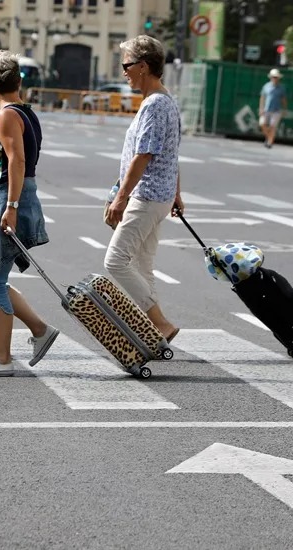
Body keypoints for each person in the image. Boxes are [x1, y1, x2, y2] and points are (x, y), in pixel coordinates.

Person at [0, 50, 59, 377]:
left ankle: (3, 359)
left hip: (6, 201)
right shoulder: (25, 112)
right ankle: (40, 330)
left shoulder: (7, 116)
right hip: (4, 199)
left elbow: (17, 161)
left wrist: (11, 207)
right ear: (19, 81)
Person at [104, 35, 183, 344]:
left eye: (126, 65)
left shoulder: (154, 105)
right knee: (142, 265)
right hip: (159, 195)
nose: (123, 72)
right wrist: (176, 194)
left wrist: (120, 199)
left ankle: (159, 323)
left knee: (116, 261)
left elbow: (144, 156)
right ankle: (152, 330)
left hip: (147, 195)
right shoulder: (166, 101)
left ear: (143, 66)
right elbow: (172, 153)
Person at [258, 68, 287, 148]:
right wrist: (261, 108)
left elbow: (283, 99)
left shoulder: (281, 88)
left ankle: (270, 142)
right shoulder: (266, 86)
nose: (275, 78)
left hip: (276, 110)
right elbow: (262, 97)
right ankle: (268, 137)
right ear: (270, 77)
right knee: (262, 124)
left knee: (272, 126)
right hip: (266, 109)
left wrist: (284, 109)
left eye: (276, 77)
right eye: (273, 77)